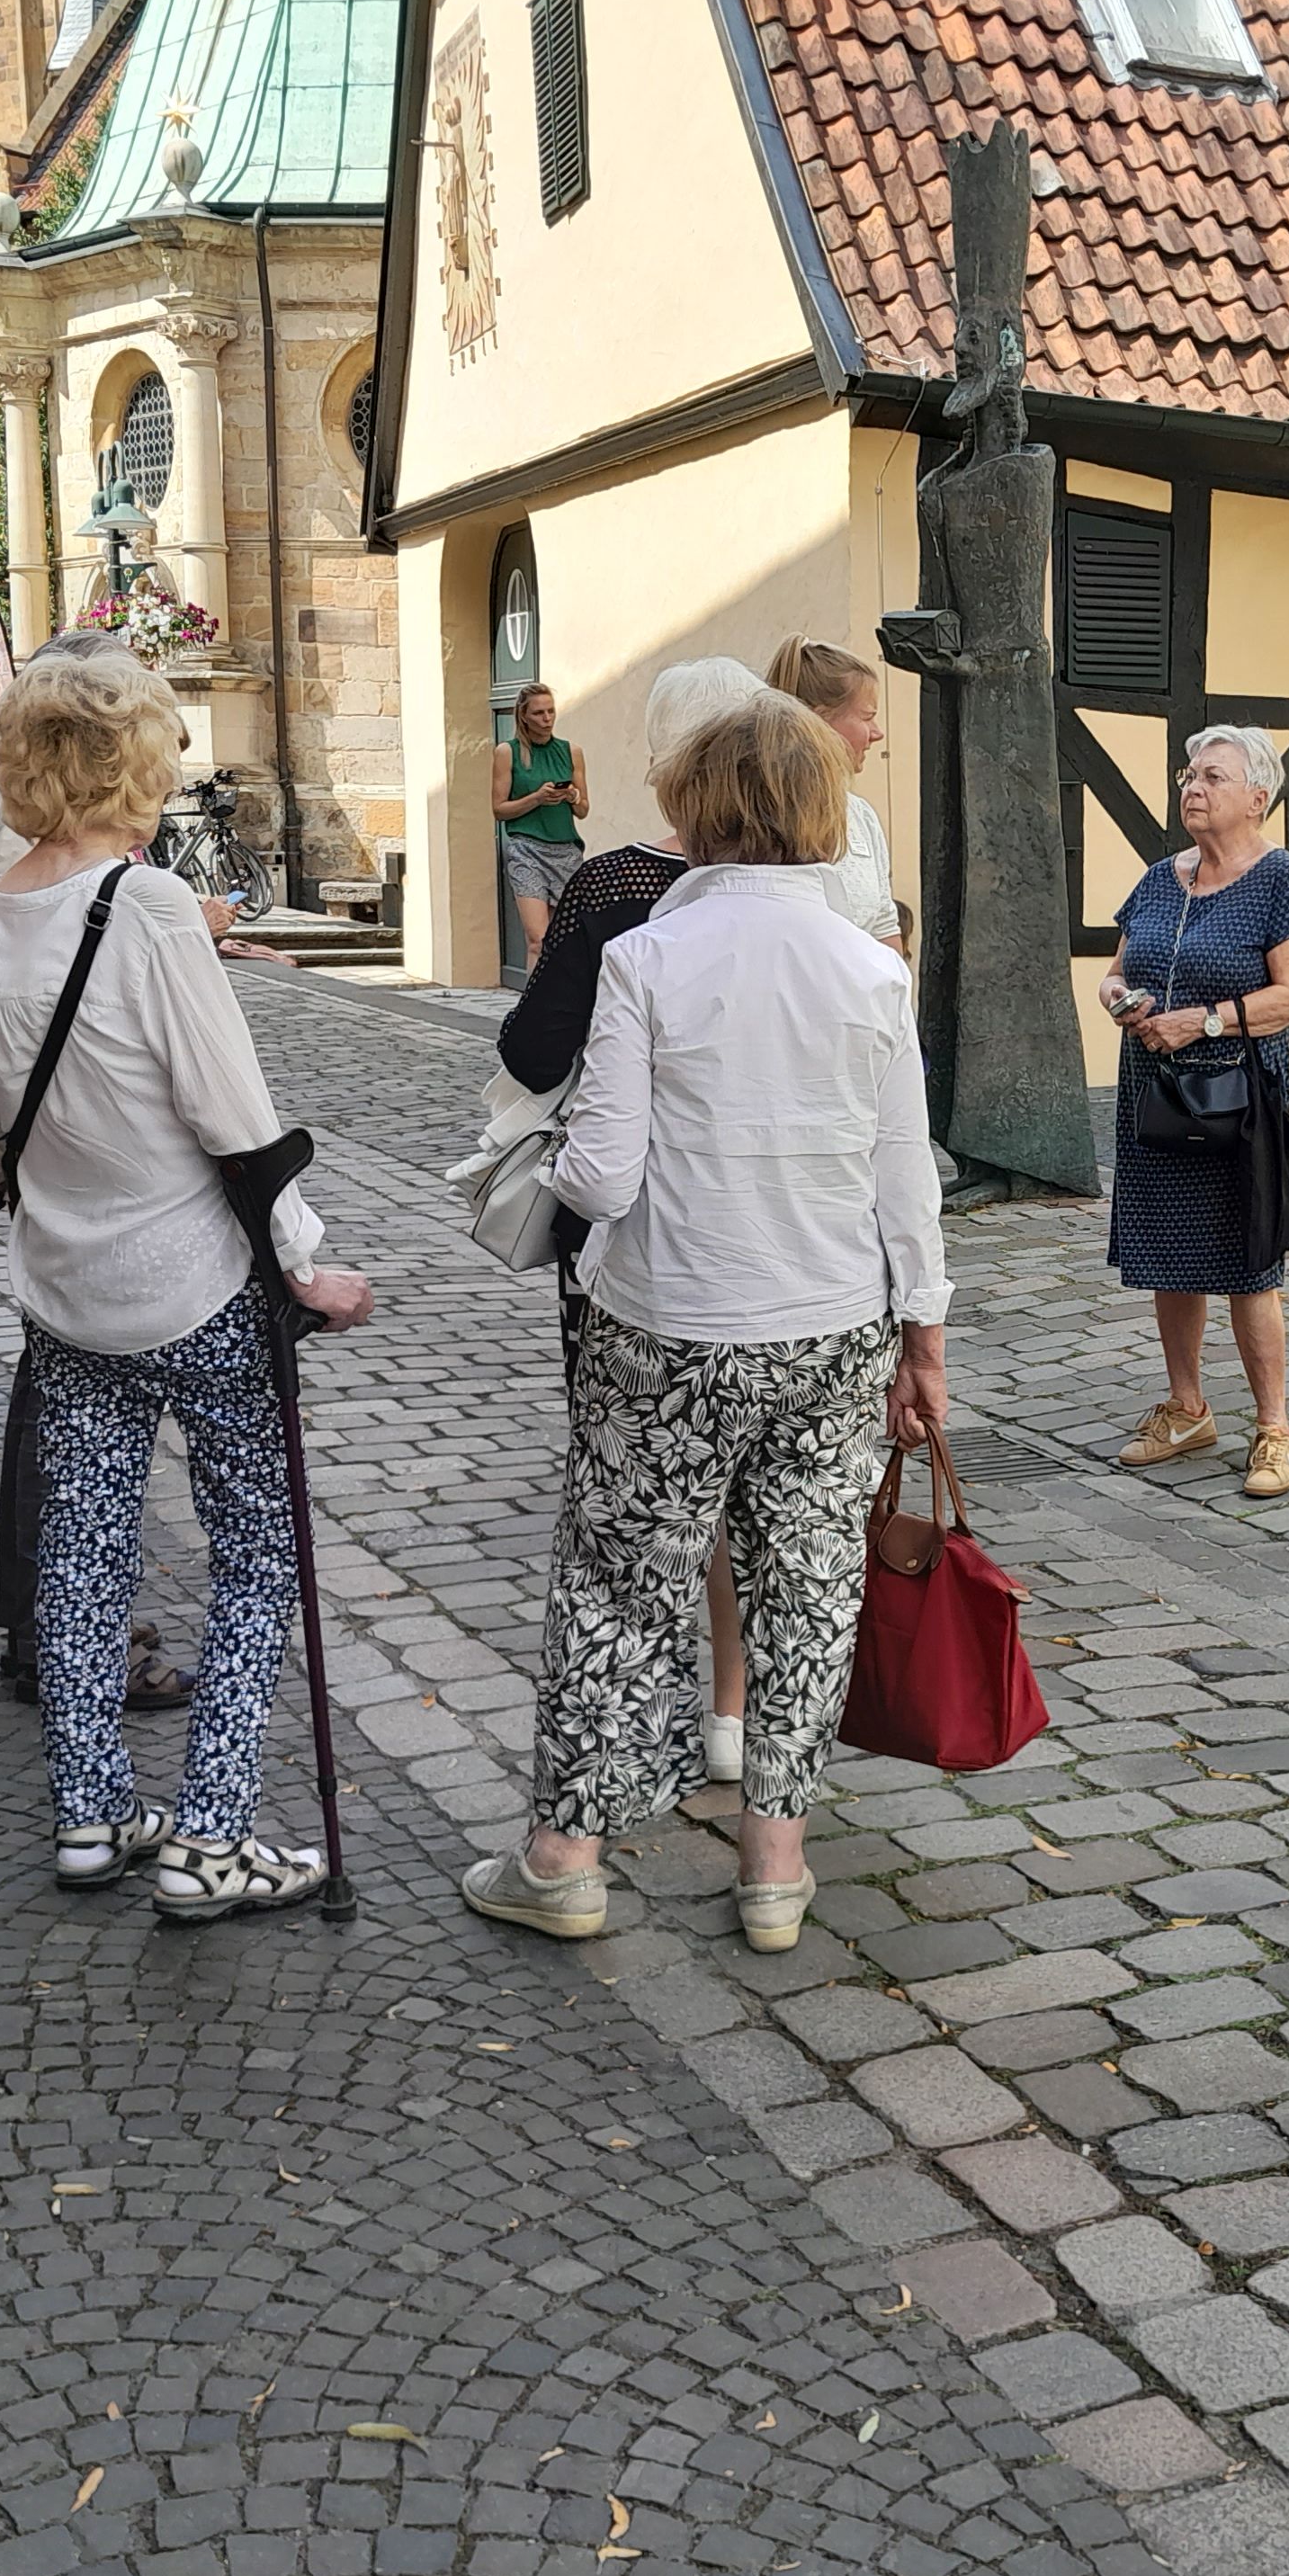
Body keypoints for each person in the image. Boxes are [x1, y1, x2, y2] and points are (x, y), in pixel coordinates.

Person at [462, 685, 946, 1953]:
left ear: (699, 808)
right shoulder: (869, 968)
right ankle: (774, 1869)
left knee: (621, 1585)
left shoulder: (647, 956)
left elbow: (604, 1178)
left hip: (665, 1322)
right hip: (833, 1324)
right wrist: (926, 1336)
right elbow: (907, 1172)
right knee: (806, 1584)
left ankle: (565, 1859)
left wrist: (561, 1169)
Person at [0, 645, 371, 1919]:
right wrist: (308, 1265)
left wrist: (0, 1165)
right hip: (200, 1286)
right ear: (133, 761)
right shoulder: (149, 907)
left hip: (67, 1290)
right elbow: (235, 1119)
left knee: (82, 1556)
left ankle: (90, 1811)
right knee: (257, 1561)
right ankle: (214, 1833)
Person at [493, 657, 747, 1775]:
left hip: (622, 1226)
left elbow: (531, 1047)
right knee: (752, 1487)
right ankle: (737, 1717)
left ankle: (620, 1744)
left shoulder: (613, 888)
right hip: (769, 1229)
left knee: (629, 1484)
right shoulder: (815, 894)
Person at [1097, 723, 1289, 1498]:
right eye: (1189, 774)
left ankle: (1275, 1429)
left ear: (1258, 796)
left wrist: (1205, 1018)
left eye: (1213, 777)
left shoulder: (1277, 877)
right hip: (1155, 1093)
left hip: (1237, 1097)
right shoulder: (1163, 877)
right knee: (1170, 1251)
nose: (1193, 787)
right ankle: (1187, 1407)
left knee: (1247, 1260)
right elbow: (1115, 971)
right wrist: (1125, 1001)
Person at [766, 636, 909, 958]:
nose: (877, 733)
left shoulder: (860, 815)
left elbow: (884, 923)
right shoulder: (763, 812)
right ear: (818, 721)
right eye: (867, 716)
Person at [492, 682, 586, 977]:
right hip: (527, 850)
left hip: (566, 851)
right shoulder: (507, 752)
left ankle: (559, 1004)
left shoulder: (571, 751)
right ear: (524, 716)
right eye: (539, 713)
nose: (547, 718)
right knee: (538, 939)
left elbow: (583, 810)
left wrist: (572, 796)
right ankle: (532, 1010)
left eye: (551, 711)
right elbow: (498, 809)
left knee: (564, 939)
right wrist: (537, 798)